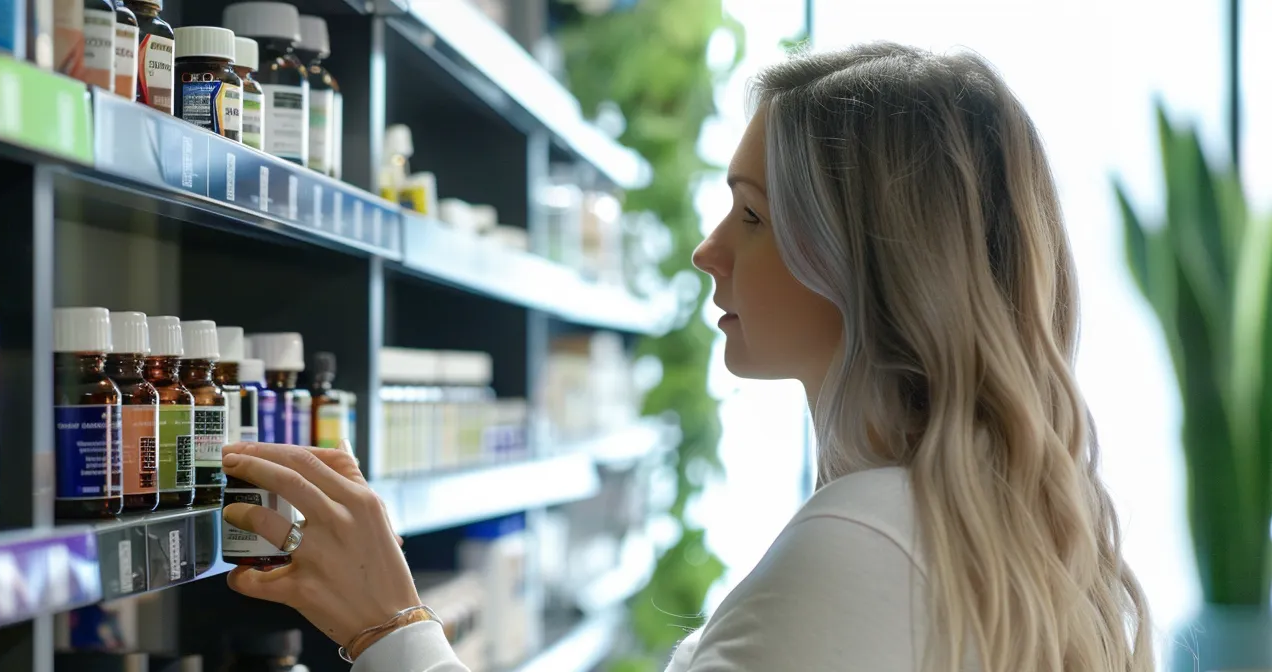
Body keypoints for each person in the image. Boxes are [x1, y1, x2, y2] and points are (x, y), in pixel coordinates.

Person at [217, 42, 1154, 671]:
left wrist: (392, 628)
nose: (709, 250)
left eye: (750, 215)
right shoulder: (980, 518)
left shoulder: (867, 537)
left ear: (864, 264)